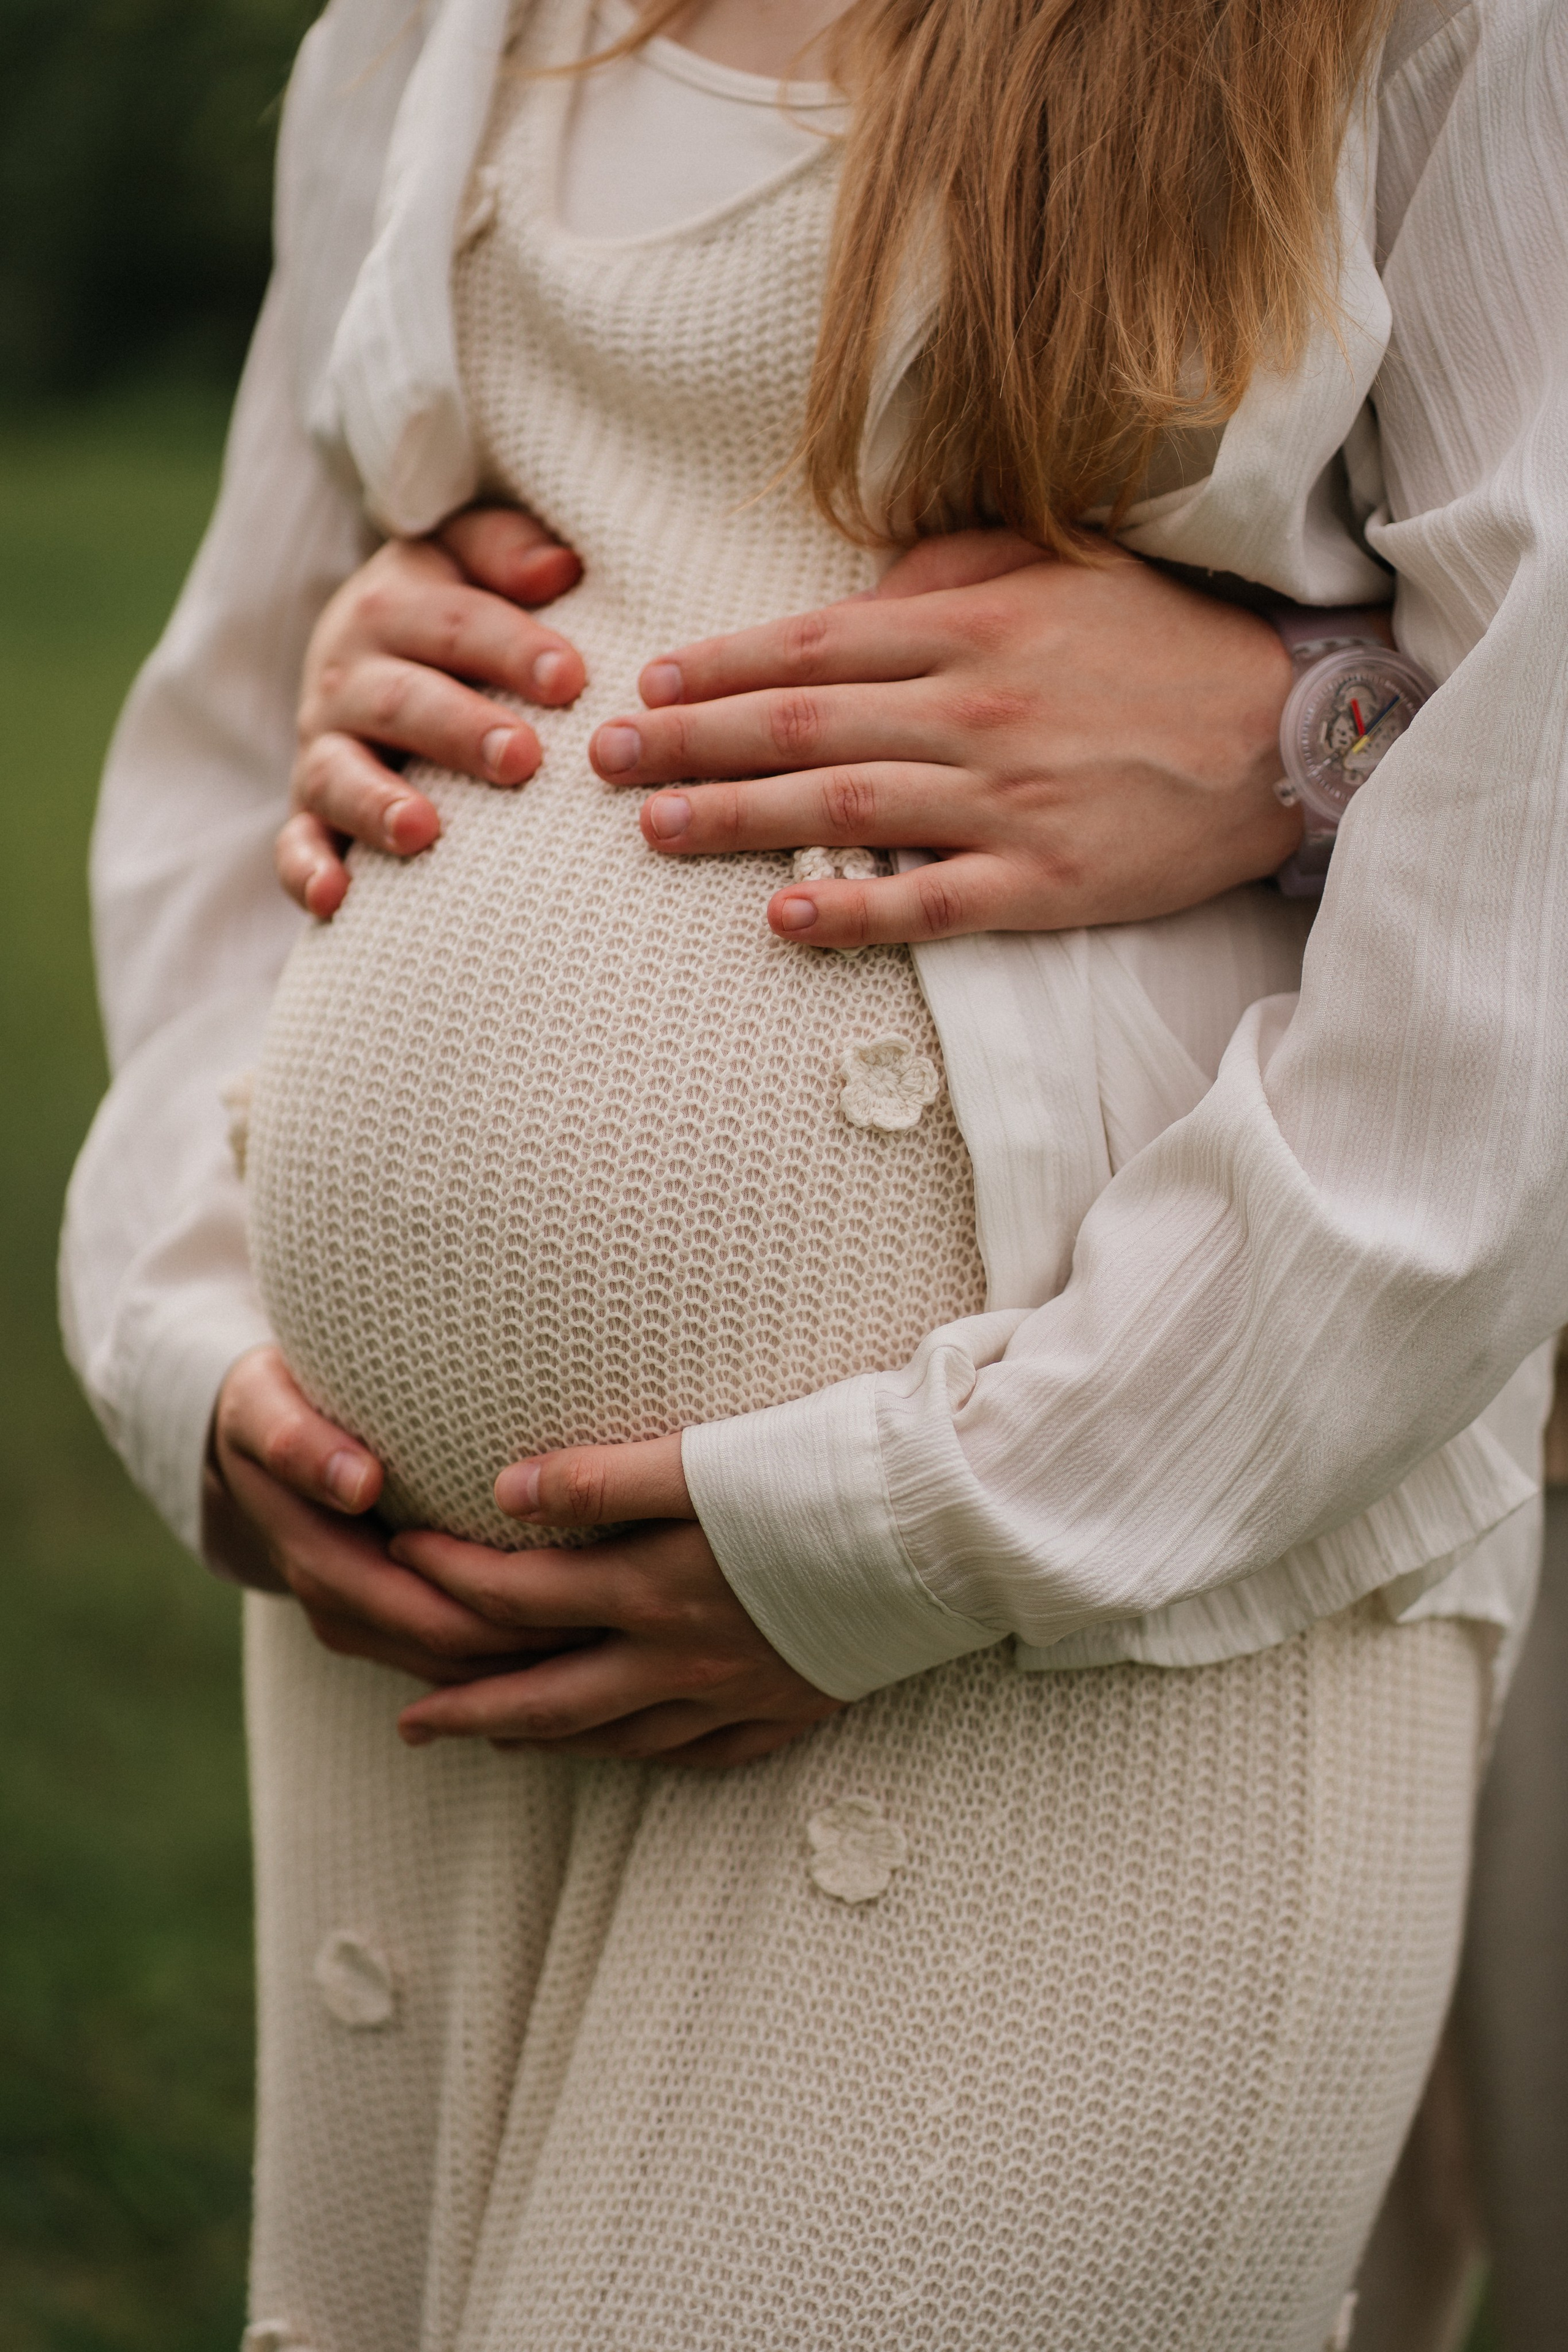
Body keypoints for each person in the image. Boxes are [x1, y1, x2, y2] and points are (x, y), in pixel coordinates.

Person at [59, 0, 1568, 2345]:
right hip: (404, 1663)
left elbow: (1535, 845)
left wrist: (1311, 727)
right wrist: (177, 1333)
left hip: (1095, 1637)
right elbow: (232, 739)